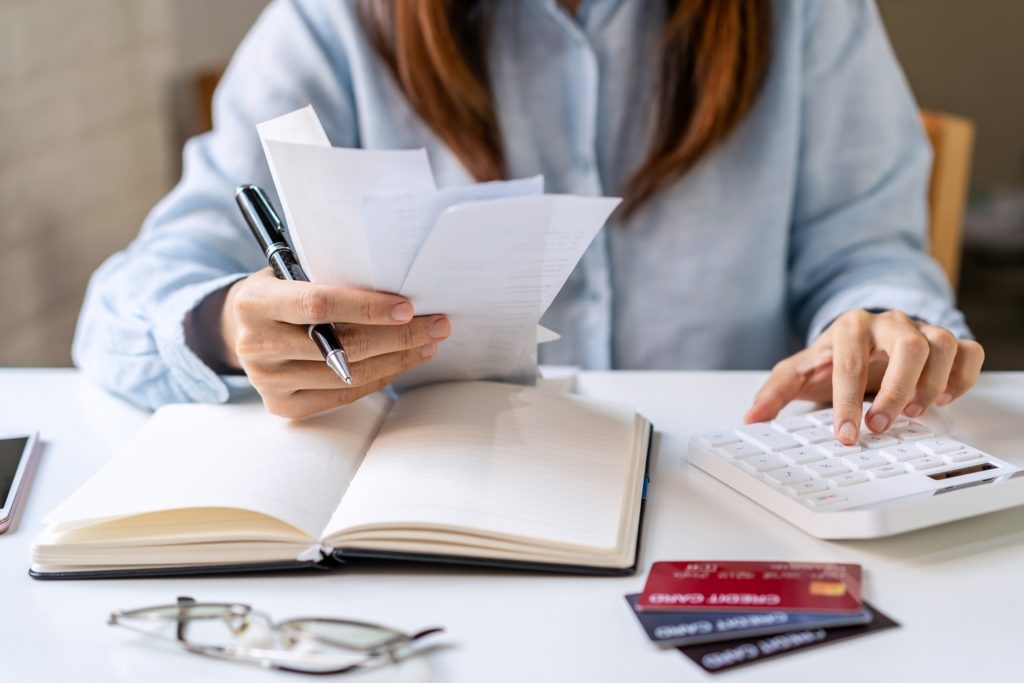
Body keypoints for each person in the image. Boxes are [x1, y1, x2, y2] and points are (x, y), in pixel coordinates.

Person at [74, 0, 984, 447]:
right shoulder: (338, 18)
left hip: (739, 489)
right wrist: (226, 323)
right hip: (438, 506)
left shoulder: (807, 13)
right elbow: (130, 302)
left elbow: (867, 252)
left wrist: (877, 320)